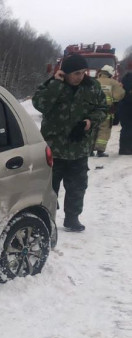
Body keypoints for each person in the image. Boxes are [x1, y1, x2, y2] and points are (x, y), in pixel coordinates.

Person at [32, 54, 107, 232]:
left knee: (77, 186)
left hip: (79, 147)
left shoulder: (92, 87)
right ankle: (46, 220)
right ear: (65, 73)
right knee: (48, 187)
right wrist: (56, 83)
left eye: (82, 72)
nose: (80, 77)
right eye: (75, 73)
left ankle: (72, 218)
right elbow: (40, 104)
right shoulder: (52, 85)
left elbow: (102, 109)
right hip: (53, 149)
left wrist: (90, 122)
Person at [92, 65, 126, 157]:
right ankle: (100, 150)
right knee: (104, 129)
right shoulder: (113, 83)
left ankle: (89, 150)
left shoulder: (94, 82)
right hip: (107, 110)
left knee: (92, 129)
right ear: (110, 73)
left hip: (93, 111)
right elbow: (120, 95)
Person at [119, 71, 132, 155]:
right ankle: (126, 149)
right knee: (128, 129)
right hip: (128, 107)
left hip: (123, 107)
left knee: (126, 128)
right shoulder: (129, 79)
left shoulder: (125, 78)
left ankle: (124, 148)